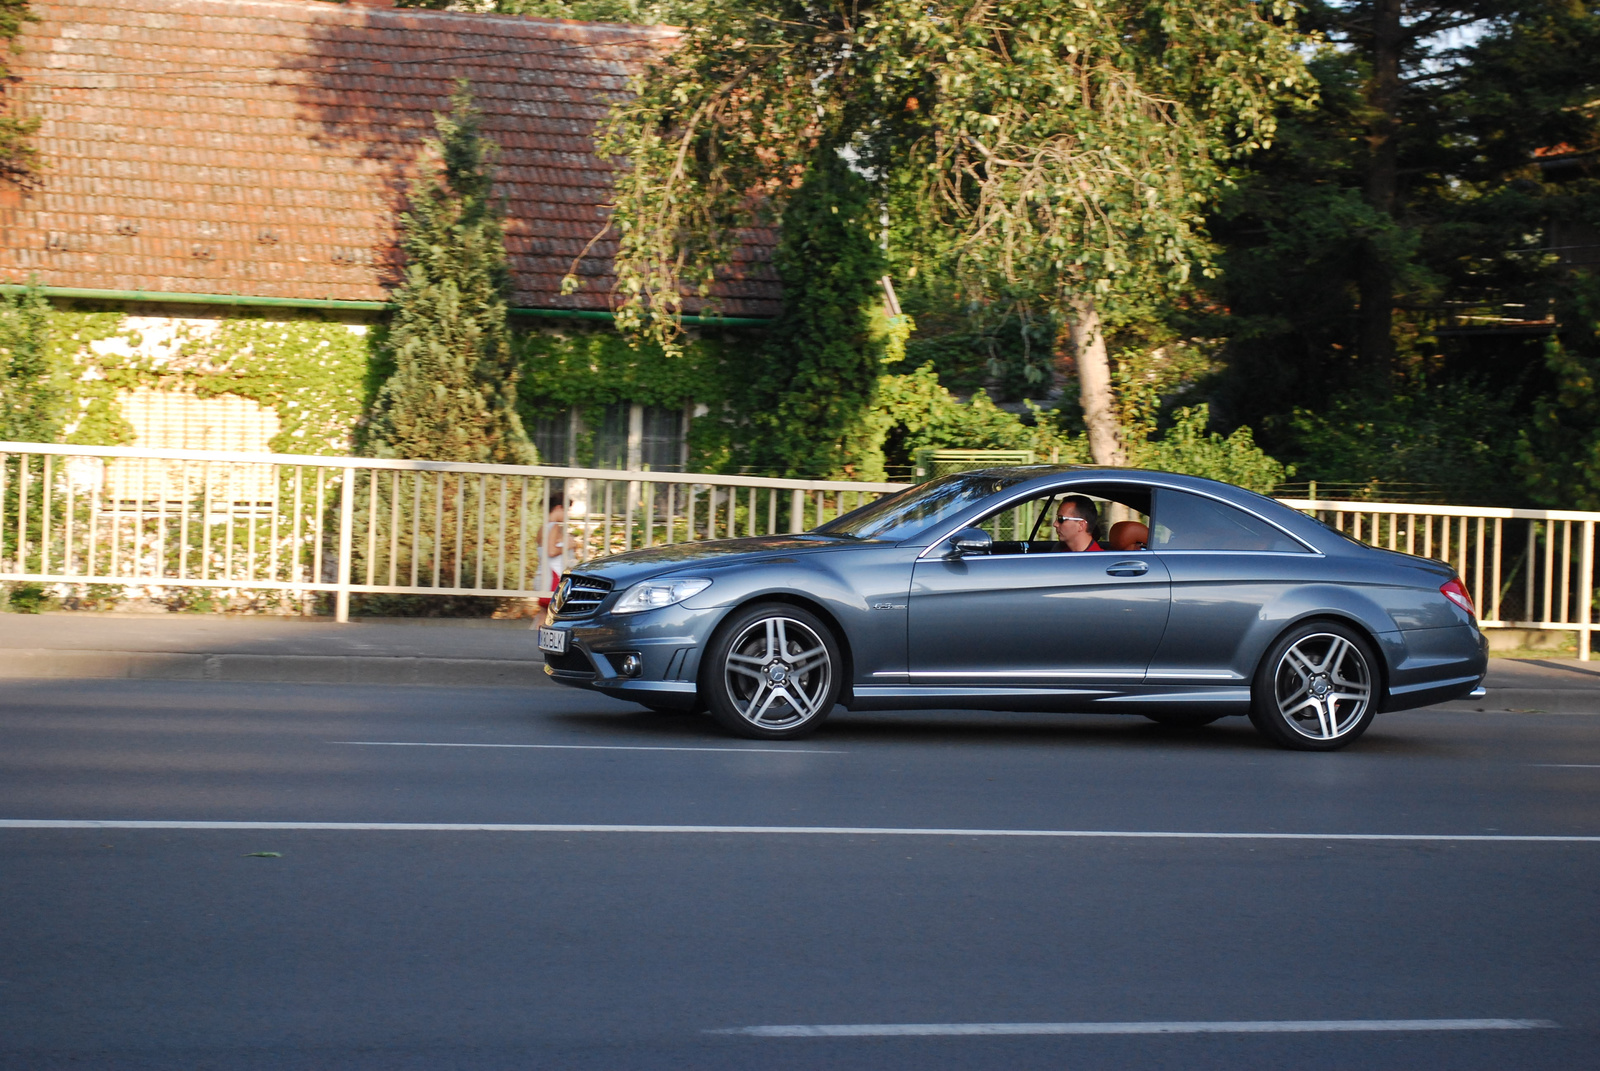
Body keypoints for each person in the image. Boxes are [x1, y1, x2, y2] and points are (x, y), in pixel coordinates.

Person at [537, 501, 567, 609]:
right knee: (555, 613)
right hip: (553, 577)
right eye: (566, 510)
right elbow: (551, 551)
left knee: (544, 613)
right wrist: (568, 545)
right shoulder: (555, 527)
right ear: (559, 507)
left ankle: (536, 627)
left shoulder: (543, 528)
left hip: (542, 575)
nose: (568, 514)